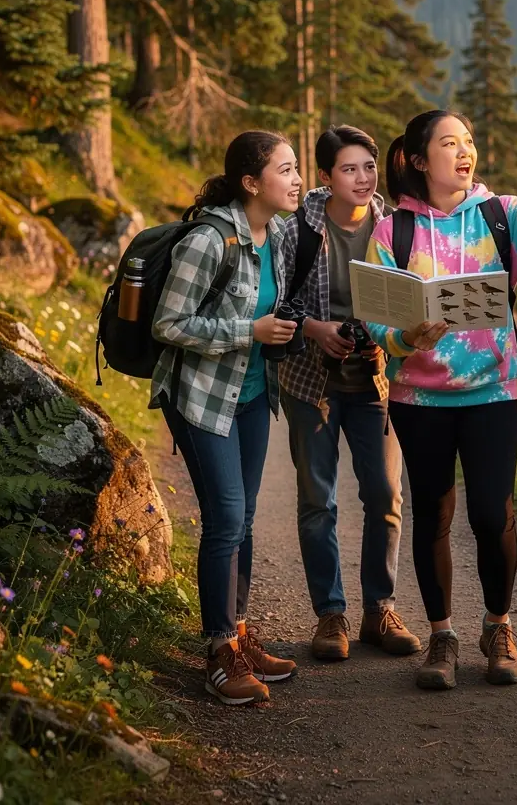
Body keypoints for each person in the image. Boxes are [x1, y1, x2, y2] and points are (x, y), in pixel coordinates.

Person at [364, 106, 517, 691]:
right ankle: (442, 636)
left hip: (493, 394)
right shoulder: (392, 230)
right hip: (418, 399)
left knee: (491, 514)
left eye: (469, 141)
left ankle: (498, 626)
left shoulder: (504, 216)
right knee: (433, 515)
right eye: (449, 143)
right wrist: (405, 337)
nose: (464, 151)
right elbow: (377, 320)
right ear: (421, 160)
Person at [150, 131, 301, 707]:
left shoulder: (278, 231)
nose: (295, 179)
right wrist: (249, 332)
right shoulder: (210, 241)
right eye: (284, 171)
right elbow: (169, 325)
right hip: (201, 397)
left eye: (296, 169)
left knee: (244, 518)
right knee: (225, 518)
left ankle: (237, 634)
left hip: (255, 395)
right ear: (250, 182)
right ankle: (217, 652)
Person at [279, 125, 420, 662]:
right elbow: (274, 299)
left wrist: (388, 340)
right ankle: (330, 614)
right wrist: (316, 329)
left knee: (385, 496)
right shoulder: (297, 230)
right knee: (319, 500)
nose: (362, 179)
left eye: (368, 167)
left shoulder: (393, 227)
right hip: (309, 381)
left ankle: (378, 609)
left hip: (376, 379)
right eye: (348, 169)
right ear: (324, 177)